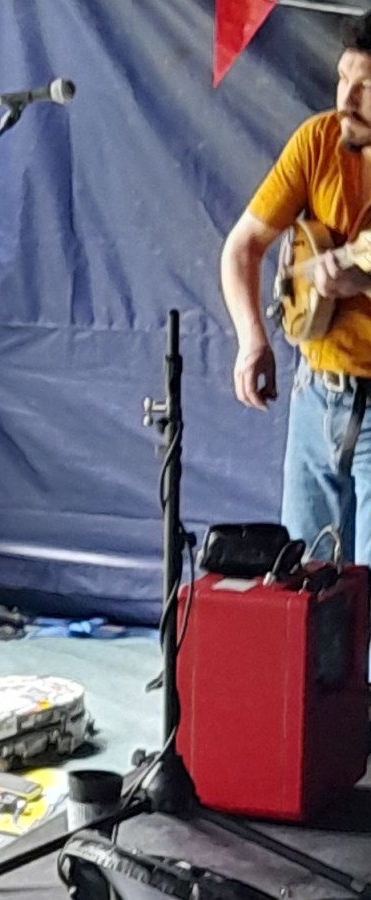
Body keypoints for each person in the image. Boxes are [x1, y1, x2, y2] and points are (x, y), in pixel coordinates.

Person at [221, 11, 371, 565]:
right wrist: (251, 340)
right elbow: (243, 247)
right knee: (307, 583)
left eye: (365, 88)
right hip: (317, 395)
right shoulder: (318, 140)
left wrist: (364, 283)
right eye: (342, 80)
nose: (346, 100)